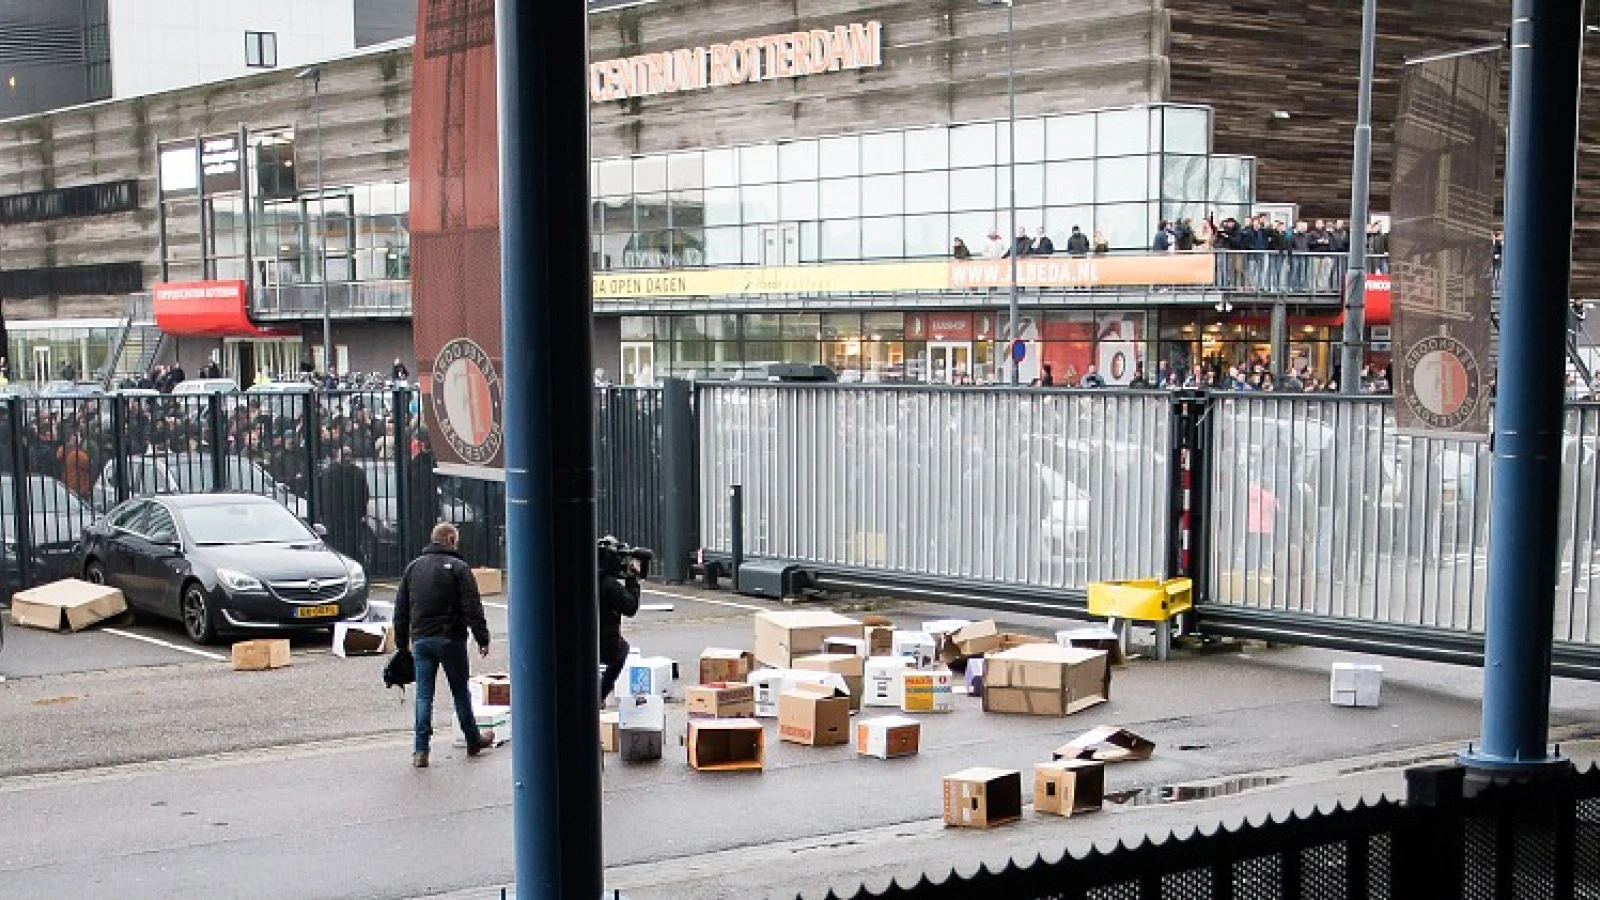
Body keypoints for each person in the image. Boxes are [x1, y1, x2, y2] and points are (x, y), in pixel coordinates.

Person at [394, 523, 494, 768]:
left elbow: (401, 610)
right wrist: (482, 637)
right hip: (450, 639)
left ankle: (420, 751)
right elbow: (472, 606)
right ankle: (472, 740)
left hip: (421, 641)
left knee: (424, 697)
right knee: (460, 692)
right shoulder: (459, 568)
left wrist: (401, 645)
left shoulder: (413, 568)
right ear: (450, 539)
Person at [597, 537, 642, 703]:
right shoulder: (609, 585)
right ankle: (599, 695)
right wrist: (632, 580)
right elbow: (630, 608)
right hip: (604, 640)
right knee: (621, 650)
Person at [317, 446, 370, 561]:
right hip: (352, 517)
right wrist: (360, 513)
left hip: (333, 518)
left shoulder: (327, 473)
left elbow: (319, 496)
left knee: (336, 548)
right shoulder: (358, 473)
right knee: (352, 548)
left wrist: (323, 514)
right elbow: (364, 496)